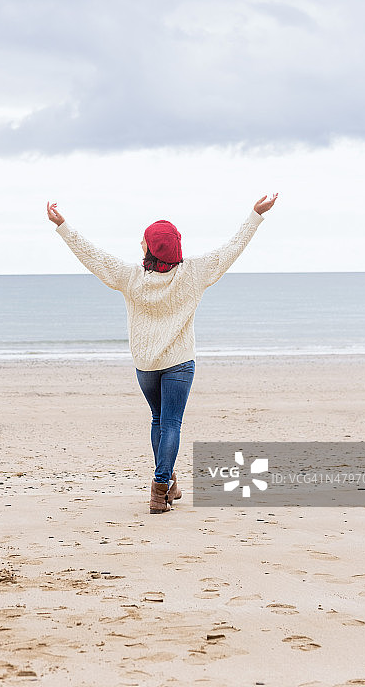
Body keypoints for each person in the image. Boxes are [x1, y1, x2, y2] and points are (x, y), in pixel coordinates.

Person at [46, 193, 278, 514]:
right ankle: (160, 488)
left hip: (146, 365)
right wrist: (254, 215)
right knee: (171, 423)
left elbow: (94, 257)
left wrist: (63, 227)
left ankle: (167, 484)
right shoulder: (195, 273)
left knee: (159, 420)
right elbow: (231, 249)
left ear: (150, 249)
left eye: (143, 240)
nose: (140, 243)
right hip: (180, 364)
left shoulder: (131, 279)